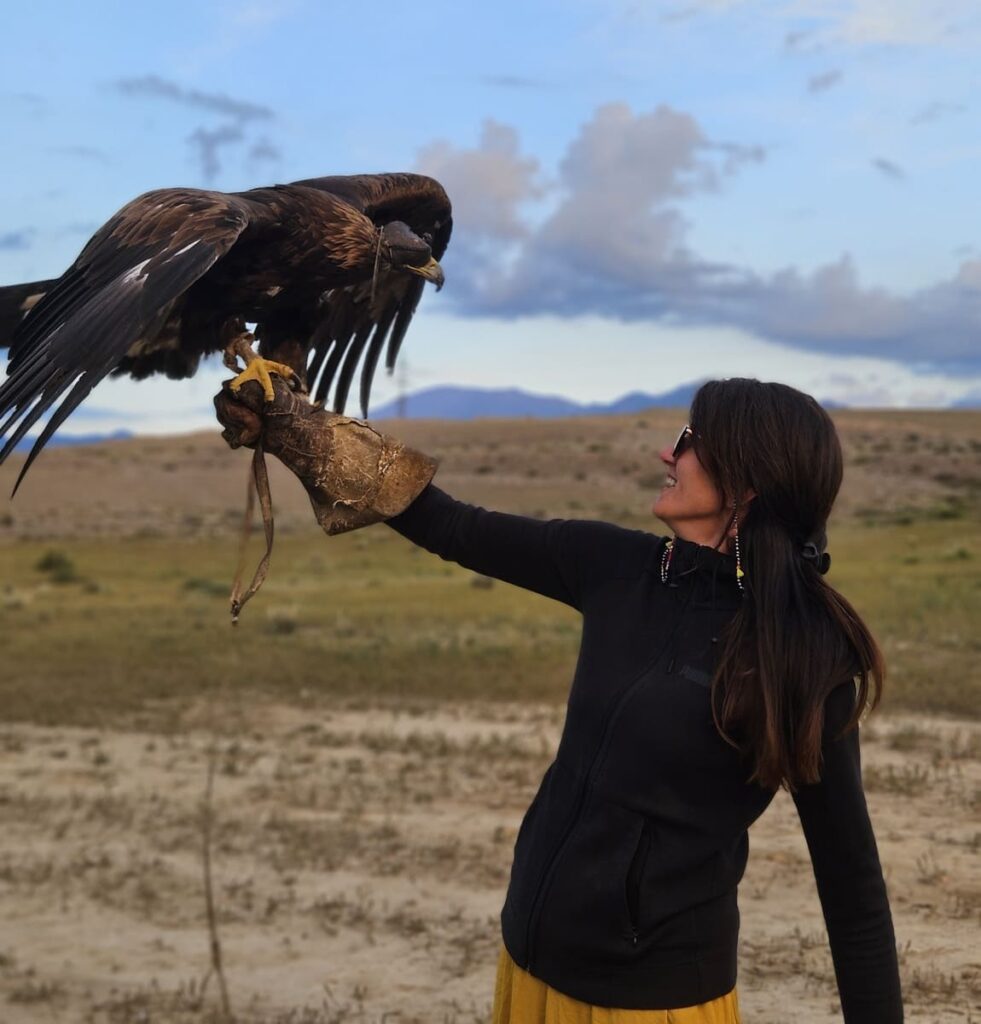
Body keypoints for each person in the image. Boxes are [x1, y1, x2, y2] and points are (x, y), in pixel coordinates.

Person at [214, 374, 904, 1023]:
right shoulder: (615, 566)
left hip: (652, 997)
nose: (669, 452)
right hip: (529, 960)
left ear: (746, 482)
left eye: (691, 443)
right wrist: (299, 431)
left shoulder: (804, 655)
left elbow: (852, 892)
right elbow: (451, 526)